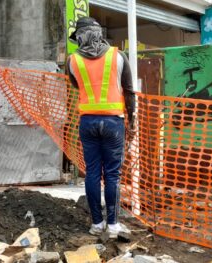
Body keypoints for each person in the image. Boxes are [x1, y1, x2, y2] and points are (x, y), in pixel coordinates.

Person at [67, 17, 135, 238]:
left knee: (93, 174)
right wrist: (132, 121)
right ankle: (113, 225)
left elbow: (76, 84)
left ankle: (97, 224)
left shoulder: (72, 60)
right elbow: (129, 91)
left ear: (80, 37)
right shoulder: (118, 56)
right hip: (114, 122)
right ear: (99, 34)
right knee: (113, 175)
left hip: (88, 122)